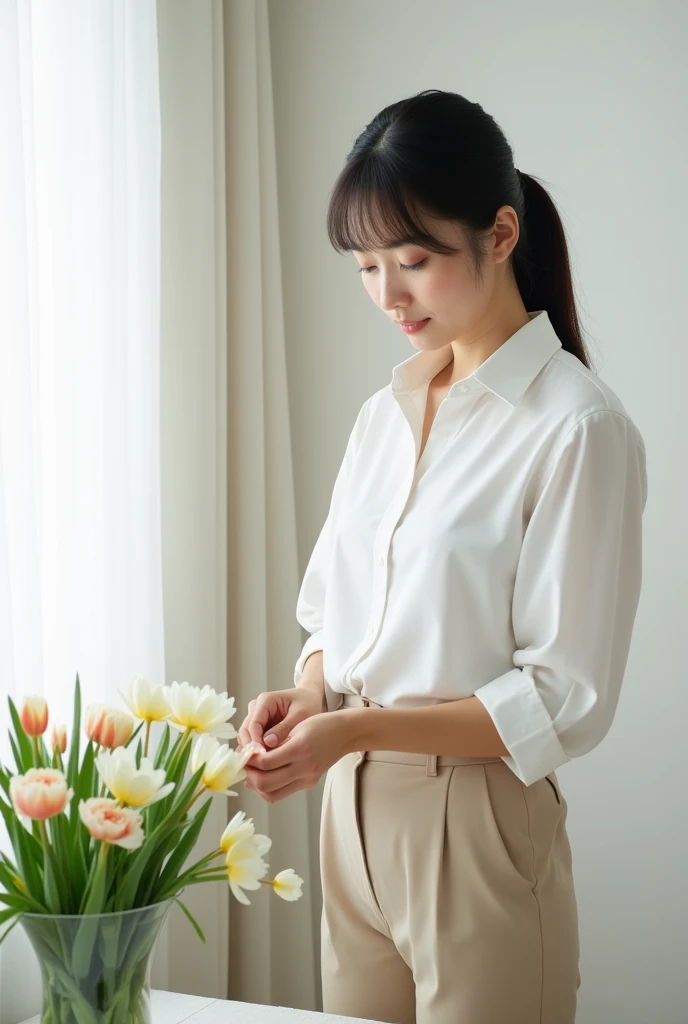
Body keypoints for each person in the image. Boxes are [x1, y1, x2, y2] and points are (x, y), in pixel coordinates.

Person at [236, 88, 647, 1024]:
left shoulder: (579, 429)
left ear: (501, 235)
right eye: (367, 265)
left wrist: (356, 730)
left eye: (413, 261)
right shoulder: (383, 417)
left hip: (477, 820)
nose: (388, 295)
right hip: (351, 815)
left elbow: (558, 698)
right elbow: (330, 614)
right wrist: (310, 695)